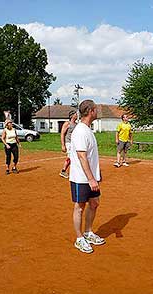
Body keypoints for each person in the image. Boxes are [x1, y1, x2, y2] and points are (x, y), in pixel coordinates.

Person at [70, 99, 105, 254]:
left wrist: (97, 174)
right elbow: (82, 156)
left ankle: (88, 232)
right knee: (80, 207)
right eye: (96, 109)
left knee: (95, 203)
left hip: (91, 176)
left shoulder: (88, 130)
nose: (97, 112)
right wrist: (91, 178)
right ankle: (79, 239)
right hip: (81, 178)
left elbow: (91, 156)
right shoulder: (80, 131)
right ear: (90, 111)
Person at [59, 111, 77, 179]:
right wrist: (63, 145)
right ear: (72, 116)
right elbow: (62, 134)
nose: (77, 115)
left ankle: (73, 171)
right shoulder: (67, 123)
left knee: (74, 157)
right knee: (70, 157)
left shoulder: (76, 124)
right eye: (75, 114)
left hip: (74, 143)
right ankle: (63, 171)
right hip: (69, 143)